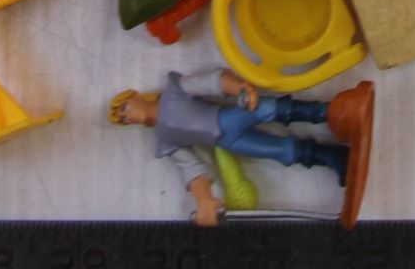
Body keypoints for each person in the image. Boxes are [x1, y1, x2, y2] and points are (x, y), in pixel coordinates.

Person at [108, 67, 374, 228]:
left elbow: (209, 82)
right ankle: (332, 156)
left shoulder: (173, 92)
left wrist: (239, 88)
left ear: (135, 95)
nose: (127, 116)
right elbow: (191, 168)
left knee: (269, 108)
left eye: (124, 109)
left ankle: (335, 111)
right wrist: (204, 200)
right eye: (123, 120)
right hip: (227, 142)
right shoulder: (165, 139)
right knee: (279, 151)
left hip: (228, 117)